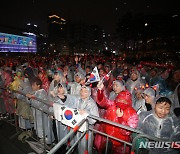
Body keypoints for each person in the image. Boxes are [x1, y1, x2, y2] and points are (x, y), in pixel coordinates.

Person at [95, 81, 138, 154]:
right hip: (107, 139)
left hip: (120, 144)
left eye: (124, 101)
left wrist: (120, 118)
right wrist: (100, 90)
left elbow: (128, 131)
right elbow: (102, 102)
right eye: (119, 100)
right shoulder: (113, 104)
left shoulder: (132, 113)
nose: (121, 102)